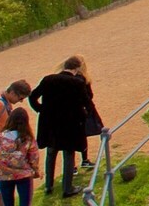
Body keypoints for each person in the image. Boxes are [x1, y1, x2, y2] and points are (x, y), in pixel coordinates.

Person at [28, 57, 93, 197]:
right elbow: (87, 103)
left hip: (51, 123)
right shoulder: (77, 83)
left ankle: (48, 186)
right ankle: (67, 188)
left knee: (51, 153)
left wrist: (40, 109)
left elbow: (32, 96)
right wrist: (84, 116)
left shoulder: (48, 80)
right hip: (70, 124)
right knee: (69, 154)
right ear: (76, 69)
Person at [0, 108, 42, 206]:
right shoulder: (28, 139)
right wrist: (36, 171)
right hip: (24, 176)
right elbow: (34, 159)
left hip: (4, 176)